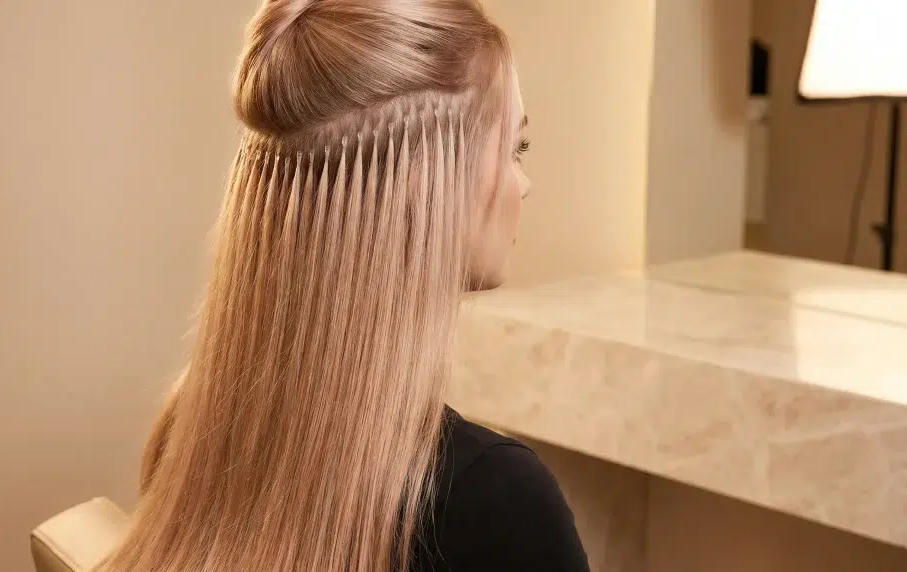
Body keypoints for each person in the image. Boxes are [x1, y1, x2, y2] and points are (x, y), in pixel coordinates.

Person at [101, 0, 590, 571]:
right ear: (421, 187)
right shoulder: (491, 499)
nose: (522, 185)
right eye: (514, 149)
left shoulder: (192, 430)